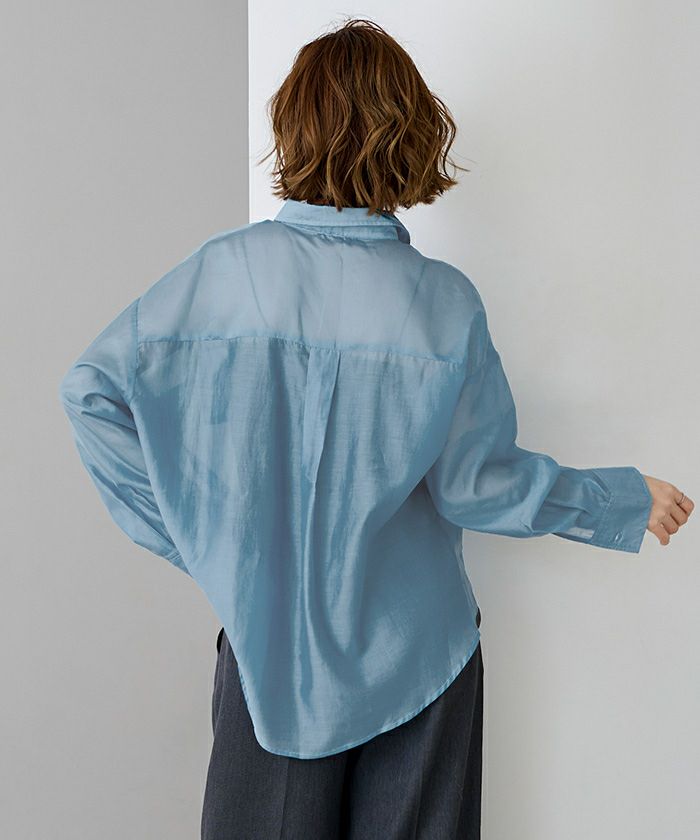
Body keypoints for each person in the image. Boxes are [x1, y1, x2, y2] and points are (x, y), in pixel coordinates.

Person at [58, 16, 693, 840]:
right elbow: (476, 487)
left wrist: (211, 546)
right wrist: (619, 500)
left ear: (294, 125)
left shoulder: (219, 275)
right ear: (411, 136)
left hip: (266, 649)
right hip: (420, 657)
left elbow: (90, 394)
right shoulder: (442, 303)